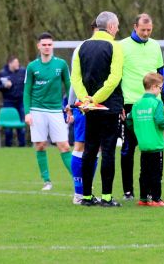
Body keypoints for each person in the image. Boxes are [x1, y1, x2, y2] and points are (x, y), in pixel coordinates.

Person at [70, 11, 124, 207]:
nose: (118, 29)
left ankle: (85, 197)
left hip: (89, 108)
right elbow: (114, 78)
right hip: (109, 106)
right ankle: (107, 198)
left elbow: (75, 78)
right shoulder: (115, 47)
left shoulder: (82, 46)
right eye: (117, 26)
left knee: (90, 150)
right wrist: (97, 99)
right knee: (108, 151)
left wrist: (87, 100)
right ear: (110, 26)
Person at [119, 13, 164, 201]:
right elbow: (116, 77)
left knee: (153, 147)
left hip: (152, 103)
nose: (146, 33)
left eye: (149, 30)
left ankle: (151, 190)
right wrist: (119, 105)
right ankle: (128, 190)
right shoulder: (122, 46)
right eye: (143, 30)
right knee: (128, 147)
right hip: (130, 103)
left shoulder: (155, 46)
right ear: (135, 27)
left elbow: (162, 75)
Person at [23, 32, 73, 191]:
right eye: (44, 44)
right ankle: (47, 181)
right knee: (40, 145)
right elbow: (27, 91)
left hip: (55, 111)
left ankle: (79, 180)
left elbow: (69, 85)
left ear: (53, 46)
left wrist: (70, 106)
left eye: (49, 44)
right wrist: (27, 112)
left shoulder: (61, 64)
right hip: (36, 110)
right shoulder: (32, 67)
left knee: (64, 146)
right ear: (39, 46)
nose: (47, 47)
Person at [126, 73, 164, 207]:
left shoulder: (137, 104)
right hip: (155, 144)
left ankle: (143, 199)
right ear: (154, 87)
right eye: (161, 88)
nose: (161, 91)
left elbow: (129, 120)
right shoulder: (157, 103)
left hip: (143, 144)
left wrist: (139, 130)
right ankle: (156, 199)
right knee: (156, 172)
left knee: (144, 172)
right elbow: (160, 121)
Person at [66, 19, 100, 205]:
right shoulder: (81, 48)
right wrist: (72, 105)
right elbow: (75, 79)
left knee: (97, 148)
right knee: (80, 146)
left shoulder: (112, 47)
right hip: (84, 105)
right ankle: (79, 193)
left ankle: (87, 189)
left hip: (103, 105)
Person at [0, 56, 26, 147]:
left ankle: (22, 145)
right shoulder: (2, 73)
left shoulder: (23, 71)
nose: (18, 64)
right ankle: (8, 146)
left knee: (21, 124)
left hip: (20, 101)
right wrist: (4, 86)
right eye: (16, 63)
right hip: (8, 102)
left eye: (18, 63)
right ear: (10, 63)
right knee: (8, 126)